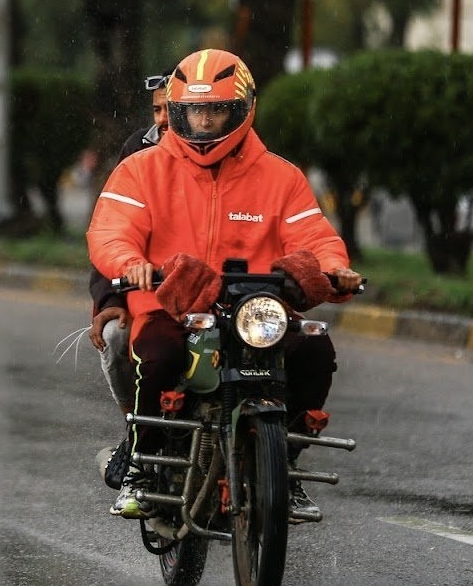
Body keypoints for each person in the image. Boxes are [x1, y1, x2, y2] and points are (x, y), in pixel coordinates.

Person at [86, 48, 363, 521]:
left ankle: (285, 466)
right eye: (195, 109)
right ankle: (141, 463)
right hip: (170, 307)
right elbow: (111, 231)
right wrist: (130, 263)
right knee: (159, 357)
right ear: (177, 111)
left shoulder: (281, 176)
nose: (204, 121)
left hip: (258, 311)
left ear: (241, 110)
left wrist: (333, 268)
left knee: (314, 353)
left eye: (215, 109)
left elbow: (314, 235)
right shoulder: (140, 169)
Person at [88, 73, 171, 417]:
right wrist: (111, 297)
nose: (164, 120)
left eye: (173, 109)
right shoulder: (137, 152)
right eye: (157, 110)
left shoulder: (250, 160)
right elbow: (112, 230)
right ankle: (136, 429)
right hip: (148, 291)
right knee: (118, 336)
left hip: (220, 298)